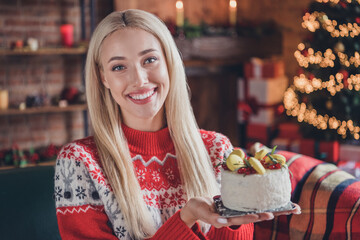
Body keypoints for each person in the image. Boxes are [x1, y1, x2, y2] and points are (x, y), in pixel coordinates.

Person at [54, 9, 300, 240]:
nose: (139, 79)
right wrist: (186, 218)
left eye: (149, 60)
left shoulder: (217, 149)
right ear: (103, 78)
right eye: (119, 67)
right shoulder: (79, 162)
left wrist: (232, 221)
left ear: (169, 63)